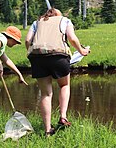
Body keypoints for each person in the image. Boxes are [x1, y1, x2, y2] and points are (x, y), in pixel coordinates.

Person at [25, 8, 90, 137]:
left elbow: (27, 41)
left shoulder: (36, 22)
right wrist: (82, 51)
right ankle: (63, 116)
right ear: (58, 15)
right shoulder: (65, 20)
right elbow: (71, 38)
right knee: (64, 85)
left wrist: (30, 53)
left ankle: (48, 129)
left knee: (46, 94)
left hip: (37, 58)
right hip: (58, 56)